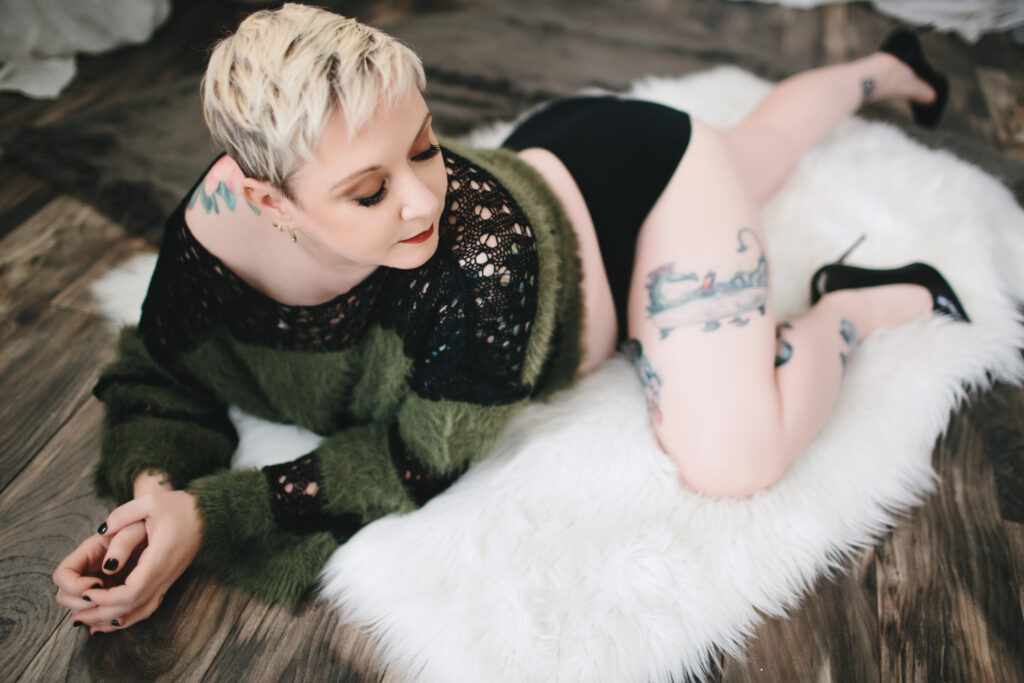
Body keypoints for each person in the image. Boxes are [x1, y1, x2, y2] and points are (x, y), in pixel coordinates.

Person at [52, 4, 967, 635]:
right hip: (564, 163)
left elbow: (418, 455)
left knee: (734, 458)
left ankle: (846, 301)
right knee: (759, 151)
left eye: (425, 146)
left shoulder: (475, 254)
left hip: (643, 185)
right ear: (265, 197)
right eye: (370, 188)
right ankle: (892, 67)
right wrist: (155, 492)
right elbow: (163, 366)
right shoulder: (213, 226)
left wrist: (212, 517)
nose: (419, 202)